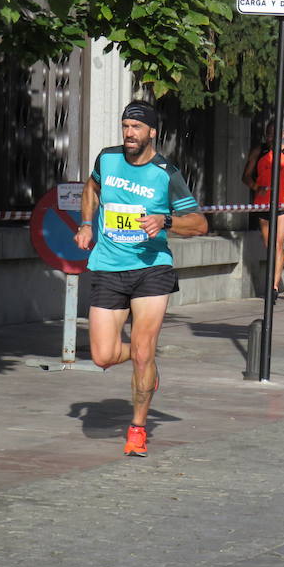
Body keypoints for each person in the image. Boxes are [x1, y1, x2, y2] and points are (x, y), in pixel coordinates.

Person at [74, 100, 208, 457]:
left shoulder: (166, 173)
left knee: (143, 351)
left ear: (152, 132)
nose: (129, 134)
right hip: (107, 266)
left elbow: (199, 223)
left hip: (152, 268)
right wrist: (86, 225)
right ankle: (145, 366)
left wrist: (165, 223)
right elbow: (91, 189)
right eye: (125, 127)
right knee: (102, 356)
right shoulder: (107, 159)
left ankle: (137, 428)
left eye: (136, 128)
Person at [242, 123, 284, 302]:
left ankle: (273, 287)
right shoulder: (259, 152)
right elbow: (246, 176)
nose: (271, 138)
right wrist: (257, 187)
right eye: (268, 134)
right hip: (263, 204)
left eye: (275, 134)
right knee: (270, 247)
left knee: (277, 244)